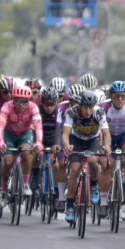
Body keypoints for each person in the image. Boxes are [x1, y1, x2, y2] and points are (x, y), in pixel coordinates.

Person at [61, 89, 111, 222]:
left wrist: (107, 146)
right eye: (85, 107)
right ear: (80, 105)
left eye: (90, 107)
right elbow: (65, 134)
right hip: (75, 141)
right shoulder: (71, 112)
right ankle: (70, 207)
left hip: (92, 140)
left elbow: (106, 134)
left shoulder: (99, 112)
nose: (88, 111)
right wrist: (67, 145)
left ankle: (94, 185)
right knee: (75, 170)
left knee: (92, 160)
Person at [99, 81, 125, 219]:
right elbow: (100, 131)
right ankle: (103, 203)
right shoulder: (103, 107)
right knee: (105, 166)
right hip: (107, 135)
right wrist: (104, 146)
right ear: (111, 96)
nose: (120, 99)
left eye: (122, 96)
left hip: (124, 135)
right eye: (116, 96)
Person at [0, 86, 43, 205]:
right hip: (9, 134)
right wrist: (0, 141)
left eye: (24, 101)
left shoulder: (33, 107)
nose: (21, 104)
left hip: (25, 133)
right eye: (17, 100)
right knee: (8, 162)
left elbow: (38, 127)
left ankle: (26, 184)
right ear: (13, 100)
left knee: (26, 152)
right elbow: (1, 126)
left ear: (29, 101)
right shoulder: (7, 106)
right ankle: (3, 189)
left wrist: (38, 142)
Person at [52, 84, 85, 212]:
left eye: (79, 101)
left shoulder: (86, 108)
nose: (76, 104)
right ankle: (60, 198)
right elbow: (59, 127)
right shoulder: (61, 107)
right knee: (62, 163)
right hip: (65, 136)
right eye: (74, 101)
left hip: (80, 137)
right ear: (69, 99)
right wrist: (57, 144)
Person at [30, 87, 60, 195]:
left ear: (56, 102)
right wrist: (36, 143)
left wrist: (57, 144)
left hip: (52, 138)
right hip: (40, 138)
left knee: (55, 165)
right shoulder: (37, 109)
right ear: (41, 102)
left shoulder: (58, 111)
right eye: (46, 104)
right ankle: (35, 173)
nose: (49, 107)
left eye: (52, 104)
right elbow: (33, 128)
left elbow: (59, 129)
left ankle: (56, 191)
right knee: (38, 153)